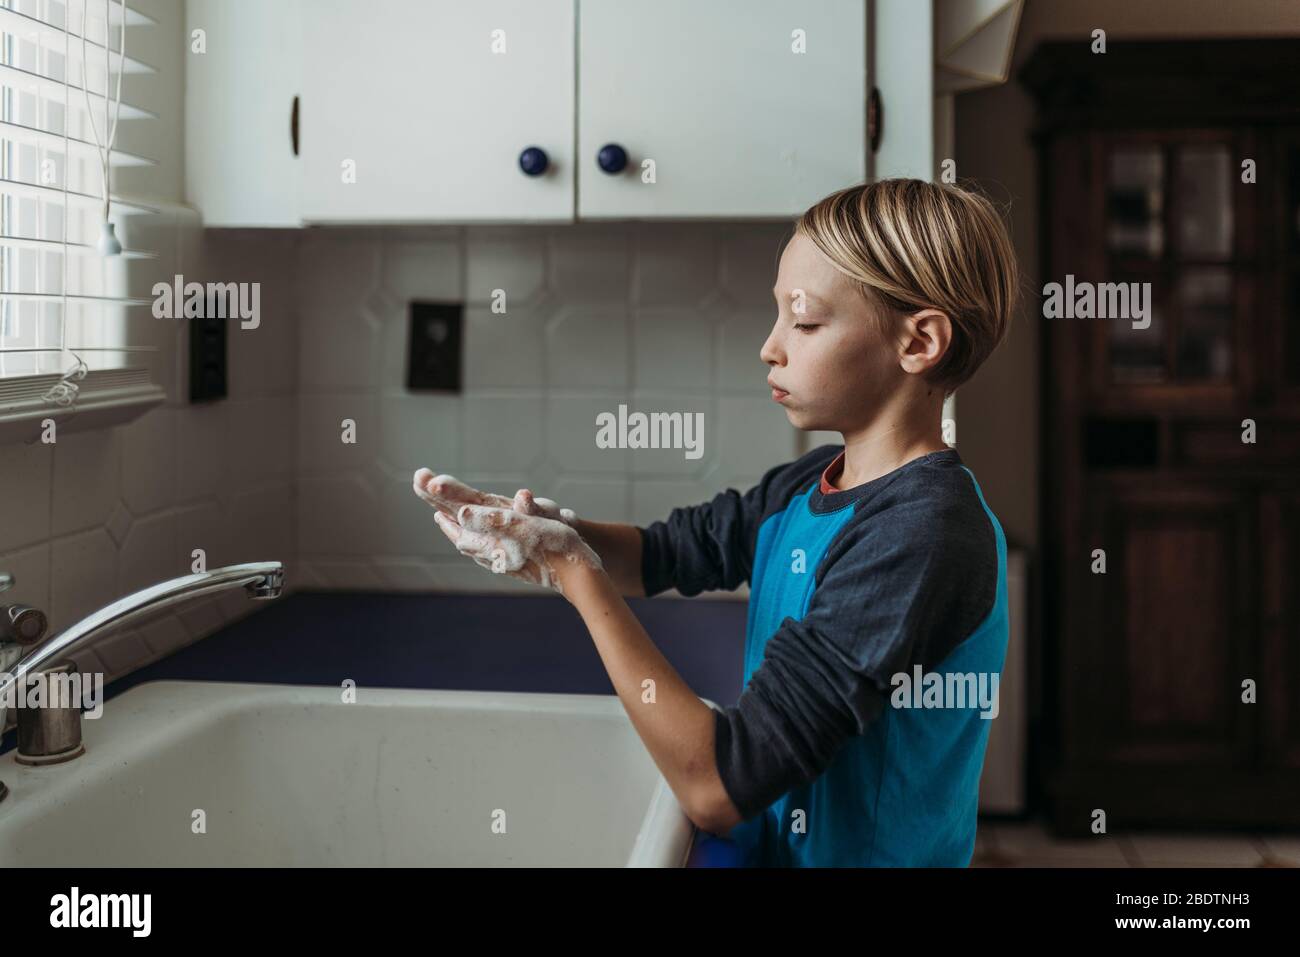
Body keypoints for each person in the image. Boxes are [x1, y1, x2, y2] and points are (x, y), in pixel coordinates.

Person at [413, 177, 1020, 867]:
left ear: (920, 342)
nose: (770, 346)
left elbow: (717, 784)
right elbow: (662, 554)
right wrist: (550, 532)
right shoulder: (809, 481)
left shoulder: (925, 534)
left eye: (805, 320)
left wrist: (574, 574)